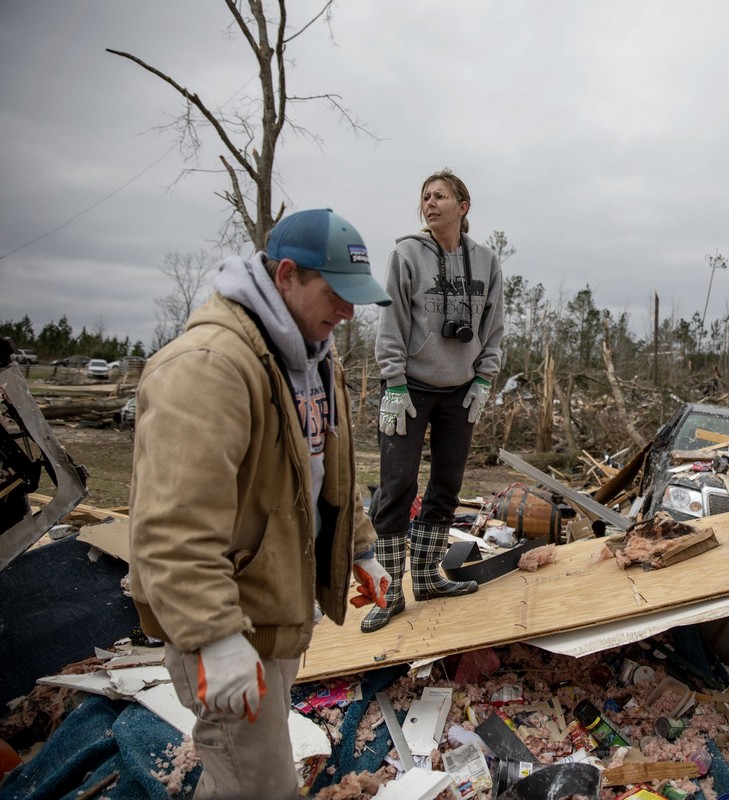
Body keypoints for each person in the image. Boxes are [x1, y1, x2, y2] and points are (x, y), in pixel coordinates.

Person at [128, 208, 394, 799]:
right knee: (262, 788)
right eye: (336, 294)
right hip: (228, 627)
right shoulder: (210, 368)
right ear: (287, 276)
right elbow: (172, 526)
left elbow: (324, 476)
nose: (349, 312)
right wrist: (212, 636)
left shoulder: (315, 361)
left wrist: (360, 548)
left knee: (238, 783)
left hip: (273, 617)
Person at [363, 169, 505, 633]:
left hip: (460, 390)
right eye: (425, 196)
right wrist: (393, 381)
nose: (430, 203)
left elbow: (495, 327)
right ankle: (388, 595)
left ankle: (426, 579)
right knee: (396, 487)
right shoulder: (406, 255)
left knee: (446, 486)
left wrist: (483, 380)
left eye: (440, 196)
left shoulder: (486, 261)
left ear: (463, 207)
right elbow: (391, 320)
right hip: (409, 388)